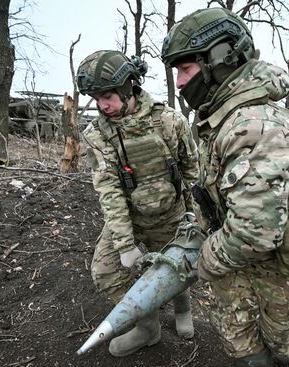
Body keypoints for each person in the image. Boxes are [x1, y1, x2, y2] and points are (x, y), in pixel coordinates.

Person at [161, 8, 289, 367]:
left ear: (219, 60)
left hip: (278, 270)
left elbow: (255, 233)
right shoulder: (227, 115)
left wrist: (203, 262)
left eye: (186, 69)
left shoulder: (253, 125)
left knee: (283, 346)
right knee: (239, 342)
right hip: (243, 262)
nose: (179, 82)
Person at [77, 50, 199, 357]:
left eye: (107, 96)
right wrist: (124, 243)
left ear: (128, 87)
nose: (101, 105)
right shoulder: (97, 135)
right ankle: (147, 327)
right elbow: (109, 190)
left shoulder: (169, 120)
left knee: (178, 269)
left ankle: (182, 307)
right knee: (106, 273)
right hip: (129, 217)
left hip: (171, 214)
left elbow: (192, 172)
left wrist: (194, 216)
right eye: (95, 98)